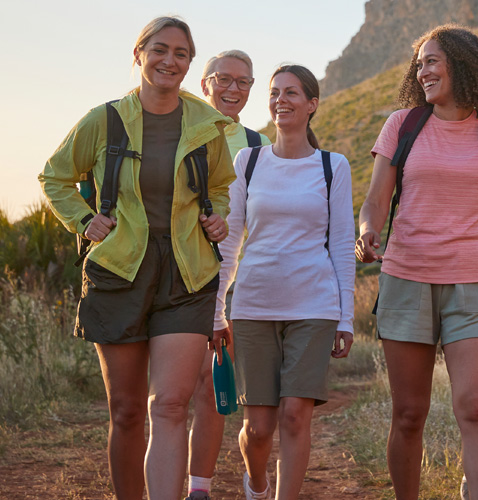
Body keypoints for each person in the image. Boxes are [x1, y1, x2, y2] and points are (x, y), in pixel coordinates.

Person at [39, 17, 235, 500]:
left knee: (169, 405)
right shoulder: (104, 120)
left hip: (187, 274)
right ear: (139, 54)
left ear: (190, 63)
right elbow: (54, 177)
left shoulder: (207, 125)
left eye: (181, 54)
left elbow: (220, 188)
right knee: (126, 411)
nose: (170, 61)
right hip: (119, 271)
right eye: (160, 50)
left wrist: (219, 219)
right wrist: (85, 223)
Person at [355, 25, 478, 500]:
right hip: (407, 278)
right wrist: (367, 231)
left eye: (432, 60)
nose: (423, 70)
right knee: (409, 414)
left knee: (475, 408)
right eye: (420, 64)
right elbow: (374, 201)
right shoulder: (403, 124)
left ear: (463, 62)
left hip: (474, 283)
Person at [215, 64, 355, 500]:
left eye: (292, 93)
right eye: (275, 92)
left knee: (295, 415)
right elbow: (232, 238)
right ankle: (257, 484)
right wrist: (217, 307)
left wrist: (345, 317)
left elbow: (342, 244)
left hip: (314, 306)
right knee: (257, 430)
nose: (281, 100)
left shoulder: (333, 167)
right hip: (254, 306)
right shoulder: (249, 161)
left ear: (312, 104)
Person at [186, 49, 271, 500]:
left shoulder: (259, 146)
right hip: (179, 275)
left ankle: (226, 483)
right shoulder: (179, 132)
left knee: (222, 385)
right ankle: (193, 484)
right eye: (224, 79)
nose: (234, 89)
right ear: (205, 84)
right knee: (188, 385)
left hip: (236, 281)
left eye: (244, 82)